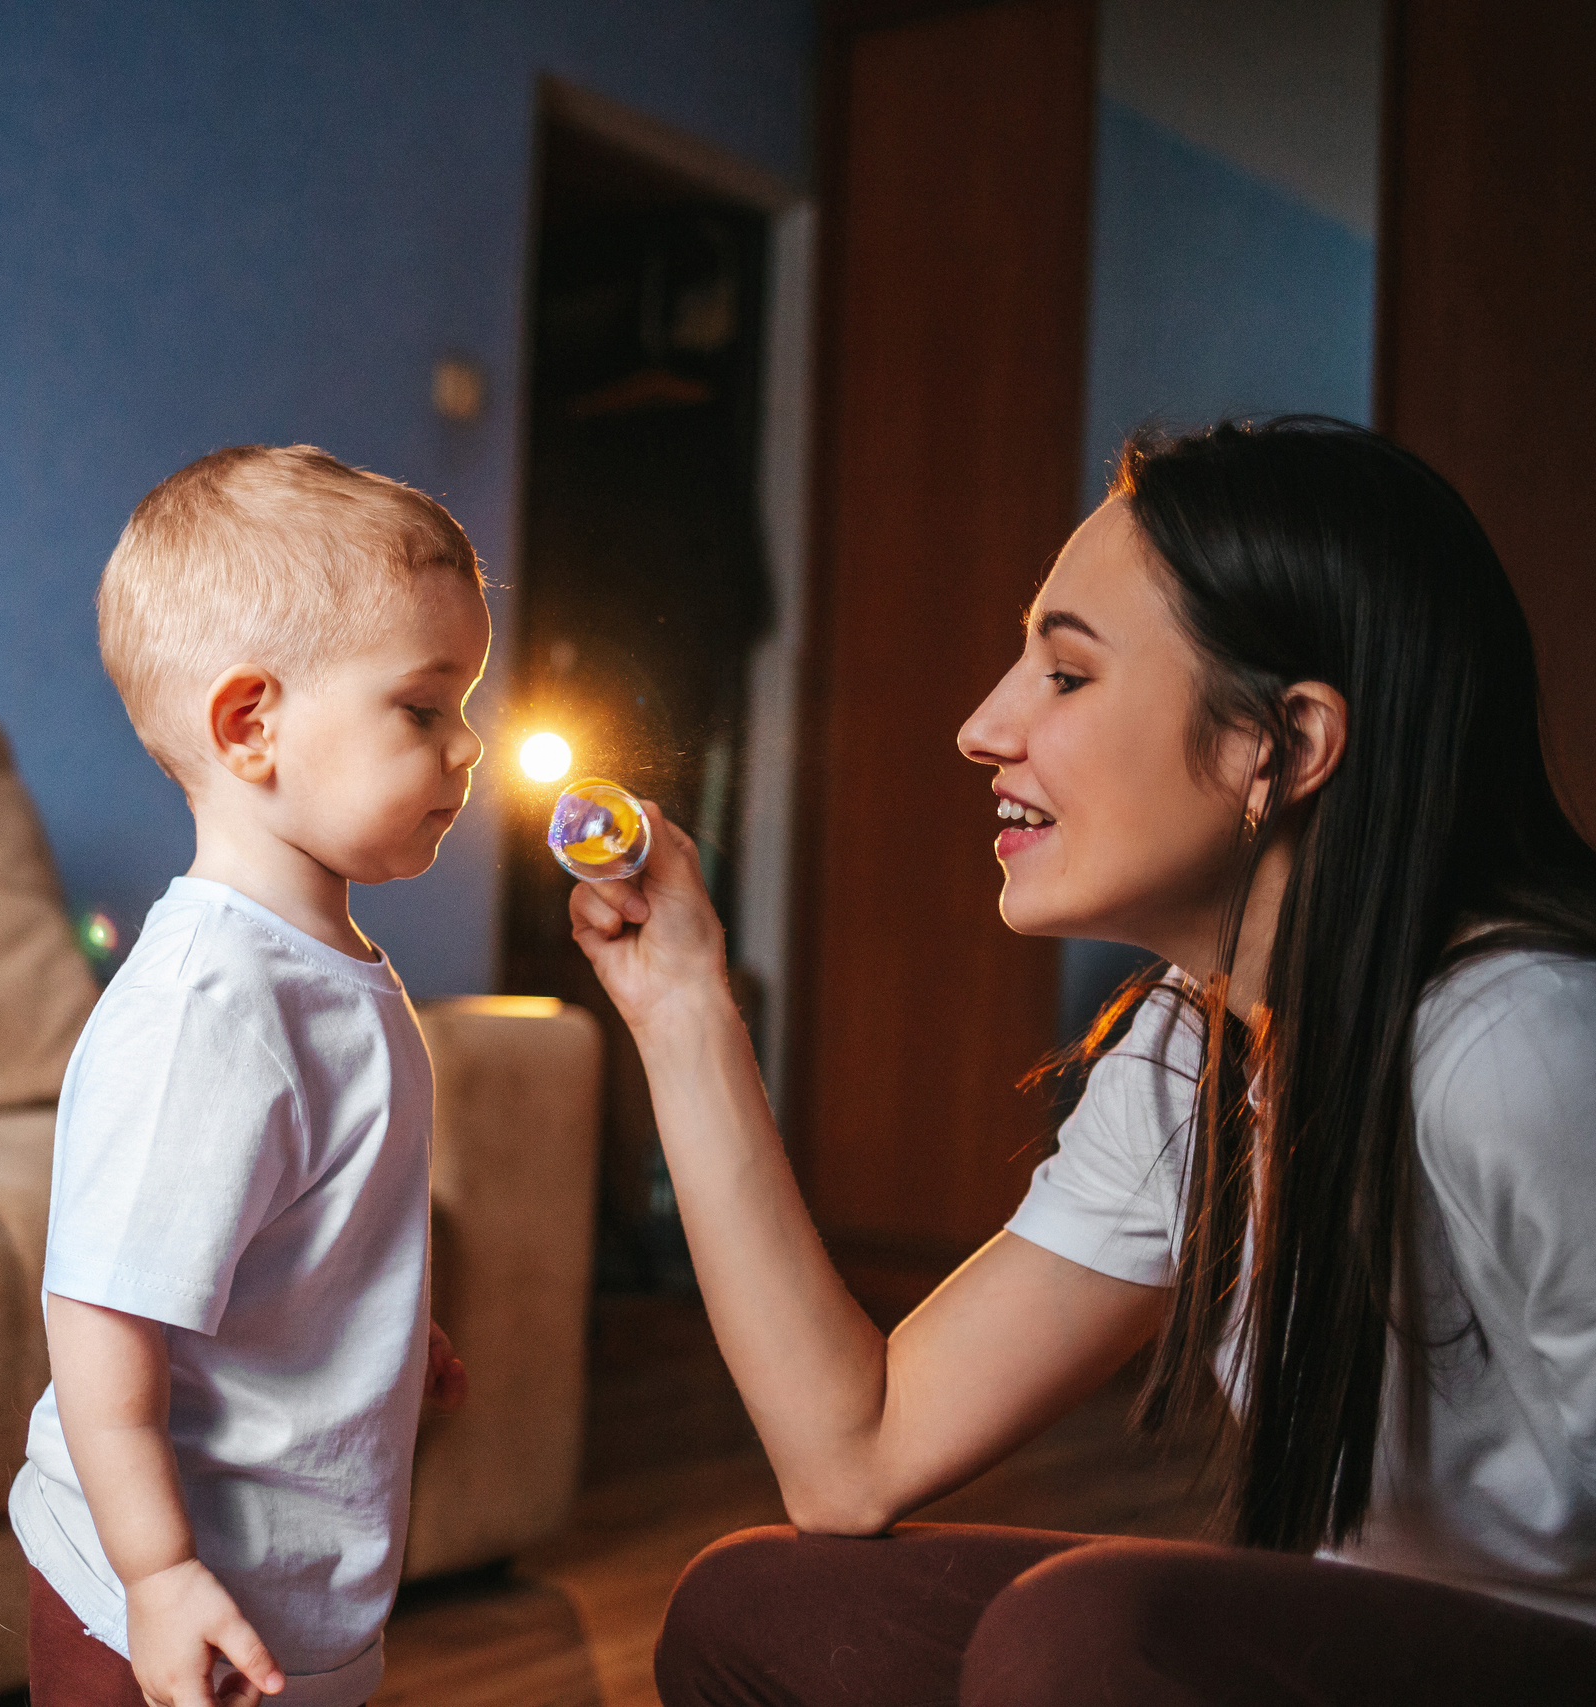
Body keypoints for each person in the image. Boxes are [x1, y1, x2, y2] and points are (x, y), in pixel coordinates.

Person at [567, 418, 1596, 1704]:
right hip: (1367, 1636)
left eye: (1064, 676)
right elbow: (854, 1452)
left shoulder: (1524, 1049)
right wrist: (679, 1005)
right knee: (760, 1606)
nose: (980, 727)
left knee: (1088, 1634)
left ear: (1277, 748)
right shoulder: (1195, 1047)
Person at [9, 445, 479, 1707]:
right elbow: (103, 1309)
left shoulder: (328, 967)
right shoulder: (210, 1004)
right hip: (155, 1601)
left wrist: (370, 1323)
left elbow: (293, 1220)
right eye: (423, 708)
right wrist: (157, 1574)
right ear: (251, 724)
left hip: (297, 1577)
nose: (466, 746)